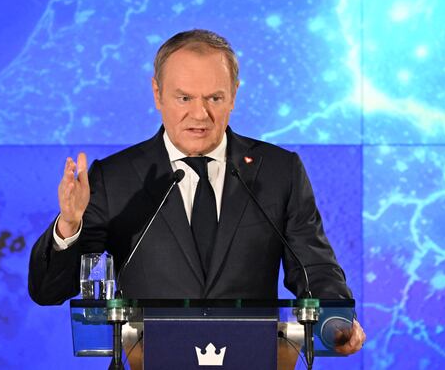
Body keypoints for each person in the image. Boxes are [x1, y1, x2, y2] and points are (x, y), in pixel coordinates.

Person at [28, 29, 365, 354]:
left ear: (233, 94)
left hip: (253, 359)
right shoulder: (115, 178)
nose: (199, 114)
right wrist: (69, 226)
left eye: (214, 98)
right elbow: (49, 291)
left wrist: (336, 316)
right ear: (157, 94)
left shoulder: (278, 171)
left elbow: (314, 268)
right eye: (184, 97)